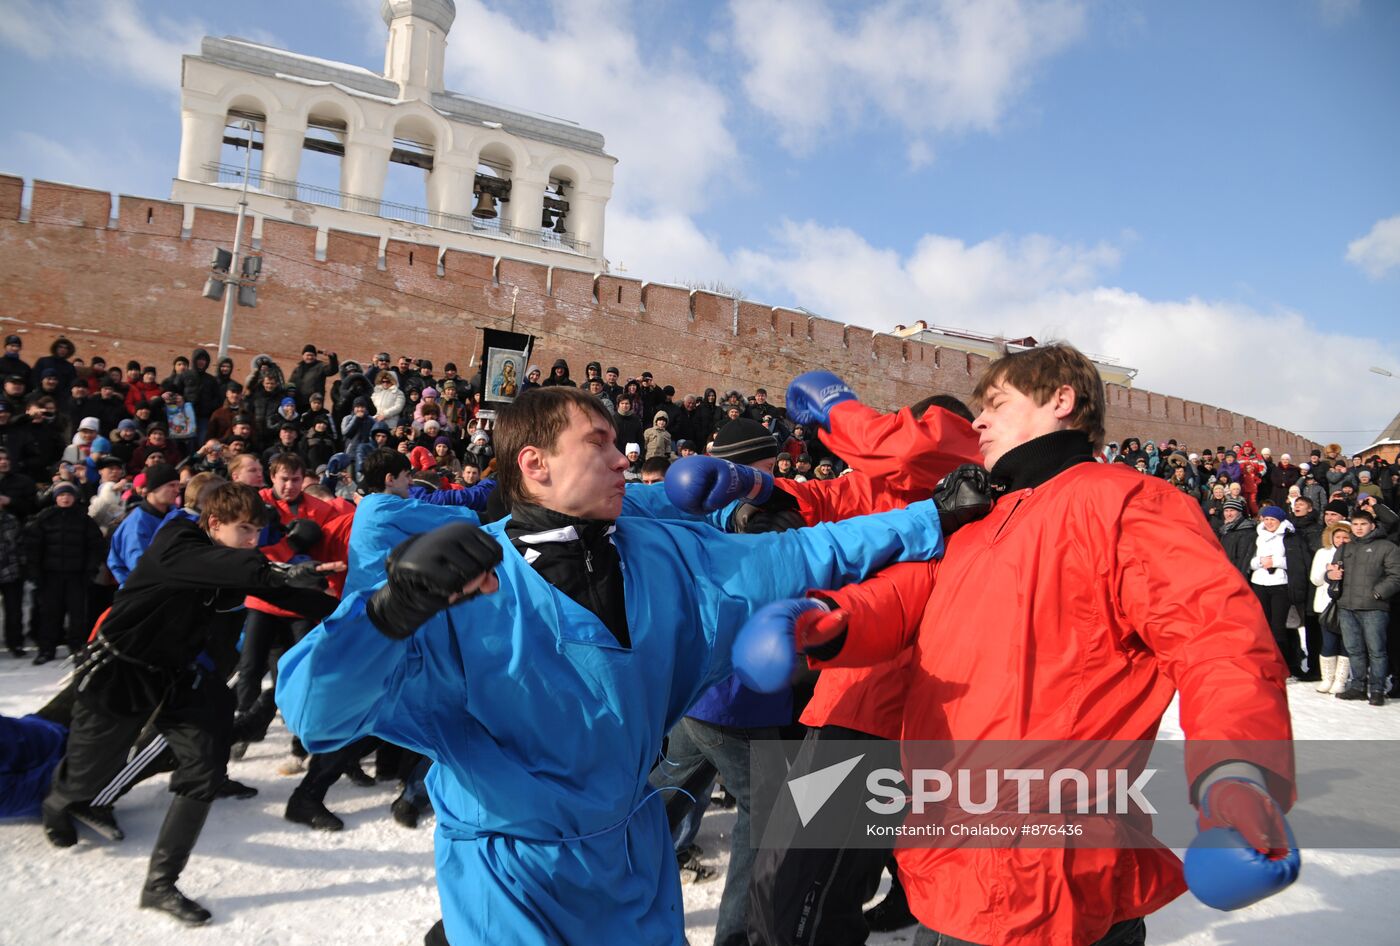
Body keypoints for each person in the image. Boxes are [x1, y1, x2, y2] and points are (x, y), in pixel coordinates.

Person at [276, 386, 947, 945]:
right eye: (597, 443)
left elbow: (807, 554)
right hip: (513, 877)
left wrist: (933, 518)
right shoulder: (457, 582)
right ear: (534, 463)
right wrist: (386, 615)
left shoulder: (659, 551)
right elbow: (317, 715)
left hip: (632, 860)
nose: (623, 459)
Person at [737, 345, 1298, 946]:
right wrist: (827, 618)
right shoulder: (982, 517)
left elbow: (1219, 642)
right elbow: (913, 593)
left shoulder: (1129, 502)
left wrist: (1237, 773)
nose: (977, 422)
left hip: (1051, 877)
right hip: (950, 861)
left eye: (996, 404)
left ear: (1062, 401)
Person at [41, 483, 341, 924]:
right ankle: (58, 802)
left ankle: (160, 884)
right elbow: (233, 568)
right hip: (119, 674)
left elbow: (278, 590)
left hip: (178, 674)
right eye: (244, 531)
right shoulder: (177, 541)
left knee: (202, 767)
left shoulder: (232, 561)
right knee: (88, 774)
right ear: (214, 523)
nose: (253, 541)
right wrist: (275, 570)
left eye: (258, 533)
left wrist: (356, 606)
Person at [22, 482, 104, 664]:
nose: (65, 498)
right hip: (50, 575)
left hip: (77, 575)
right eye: (61, 495)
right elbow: (33, 547)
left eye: (68, 495)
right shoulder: (44, 518)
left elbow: (95, 546)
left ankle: (77, 648)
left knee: (77, 615)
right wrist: (35, 572)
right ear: (55, 497)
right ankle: (46, 649)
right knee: (50, 614)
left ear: (74, 497)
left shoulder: (84, 520)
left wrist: (90, 570)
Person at [1328, 508, 1400, 705]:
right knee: (1354, 649)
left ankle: (1377, 689)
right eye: (1356, 525)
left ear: (1372, 525)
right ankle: (1358, 687)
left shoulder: (1387, 547)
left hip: (1374, 607)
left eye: (1363, 524)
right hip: (1347, 606)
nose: (1359, 528)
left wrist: (1378, 593)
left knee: (1376, 650)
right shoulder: (1345, 547)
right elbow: (1333, 571)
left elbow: (1396, 575)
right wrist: (1331, 576)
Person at [1248, 504, 1309, 678]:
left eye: (1272, 519)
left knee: (1279, 628)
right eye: (1265, 519)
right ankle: (1265, 663)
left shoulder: (1289, 536)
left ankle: (1284, 664)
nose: (1268, 523)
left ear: (1280, 520)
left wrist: (1275, 562)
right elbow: (1249, 561)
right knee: (1262, 627)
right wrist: (1260, 562)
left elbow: (1296, 561)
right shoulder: (1257, 536)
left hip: (1280, 584)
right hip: (1259, 582)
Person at [105, 464, 181, 585]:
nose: (177, 490)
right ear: (154, 488)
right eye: (171, 485)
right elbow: (140, 568)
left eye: (178, 485)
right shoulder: (136, 524)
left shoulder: (176, 516)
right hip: (142, 593)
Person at [1309, 521, 1353, 694]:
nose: (1341, 540)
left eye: (1345, 537)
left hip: (1348, 603)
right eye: (1338, 536)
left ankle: (1341, 679)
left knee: (1346, 643)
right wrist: (1327, 573)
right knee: (1328, 642)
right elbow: (1314, 579)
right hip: (1326, 604)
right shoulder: (1322, 553)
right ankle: (1327, 677)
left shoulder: (1354, 553)